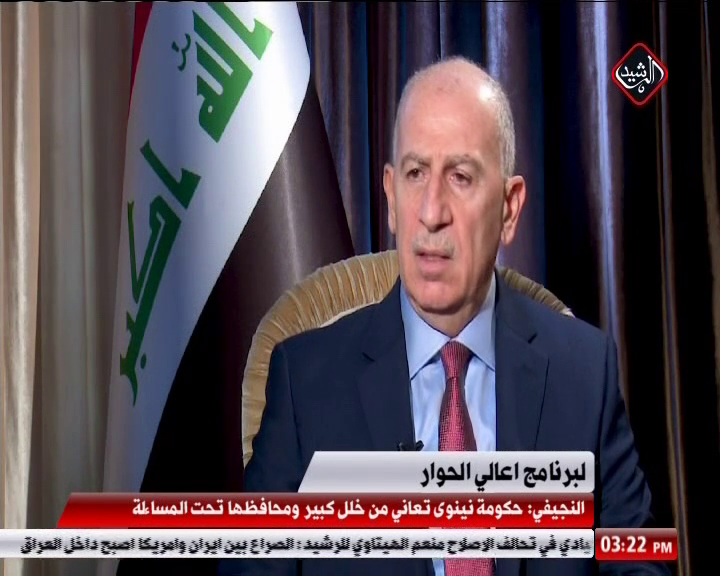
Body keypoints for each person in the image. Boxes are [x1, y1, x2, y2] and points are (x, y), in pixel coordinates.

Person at [219, 57, 669, 576]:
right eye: (415, 174)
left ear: (509, 208)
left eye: (460, 176)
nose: (431, 213)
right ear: (391, 198)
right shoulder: (304, 383)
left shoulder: (585, 373)